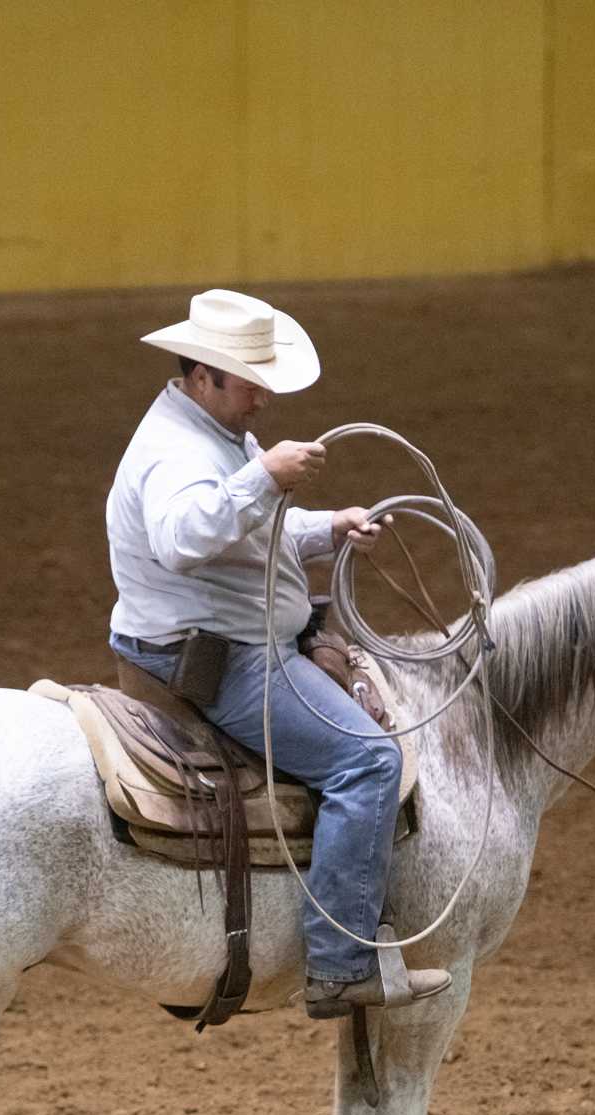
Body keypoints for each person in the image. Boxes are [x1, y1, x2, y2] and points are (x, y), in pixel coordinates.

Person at [105, 288, 451, 1019]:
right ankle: (339, 961)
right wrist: (265, 477)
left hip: (223, 636)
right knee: (370, 760)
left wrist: (327, 527)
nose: (263, 395)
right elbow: (183, 538)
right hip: (223, 657)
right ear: (202, 375)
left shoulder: (214, 434)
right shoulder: (178, 453)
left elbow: (250, 537)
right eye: (248, 379)